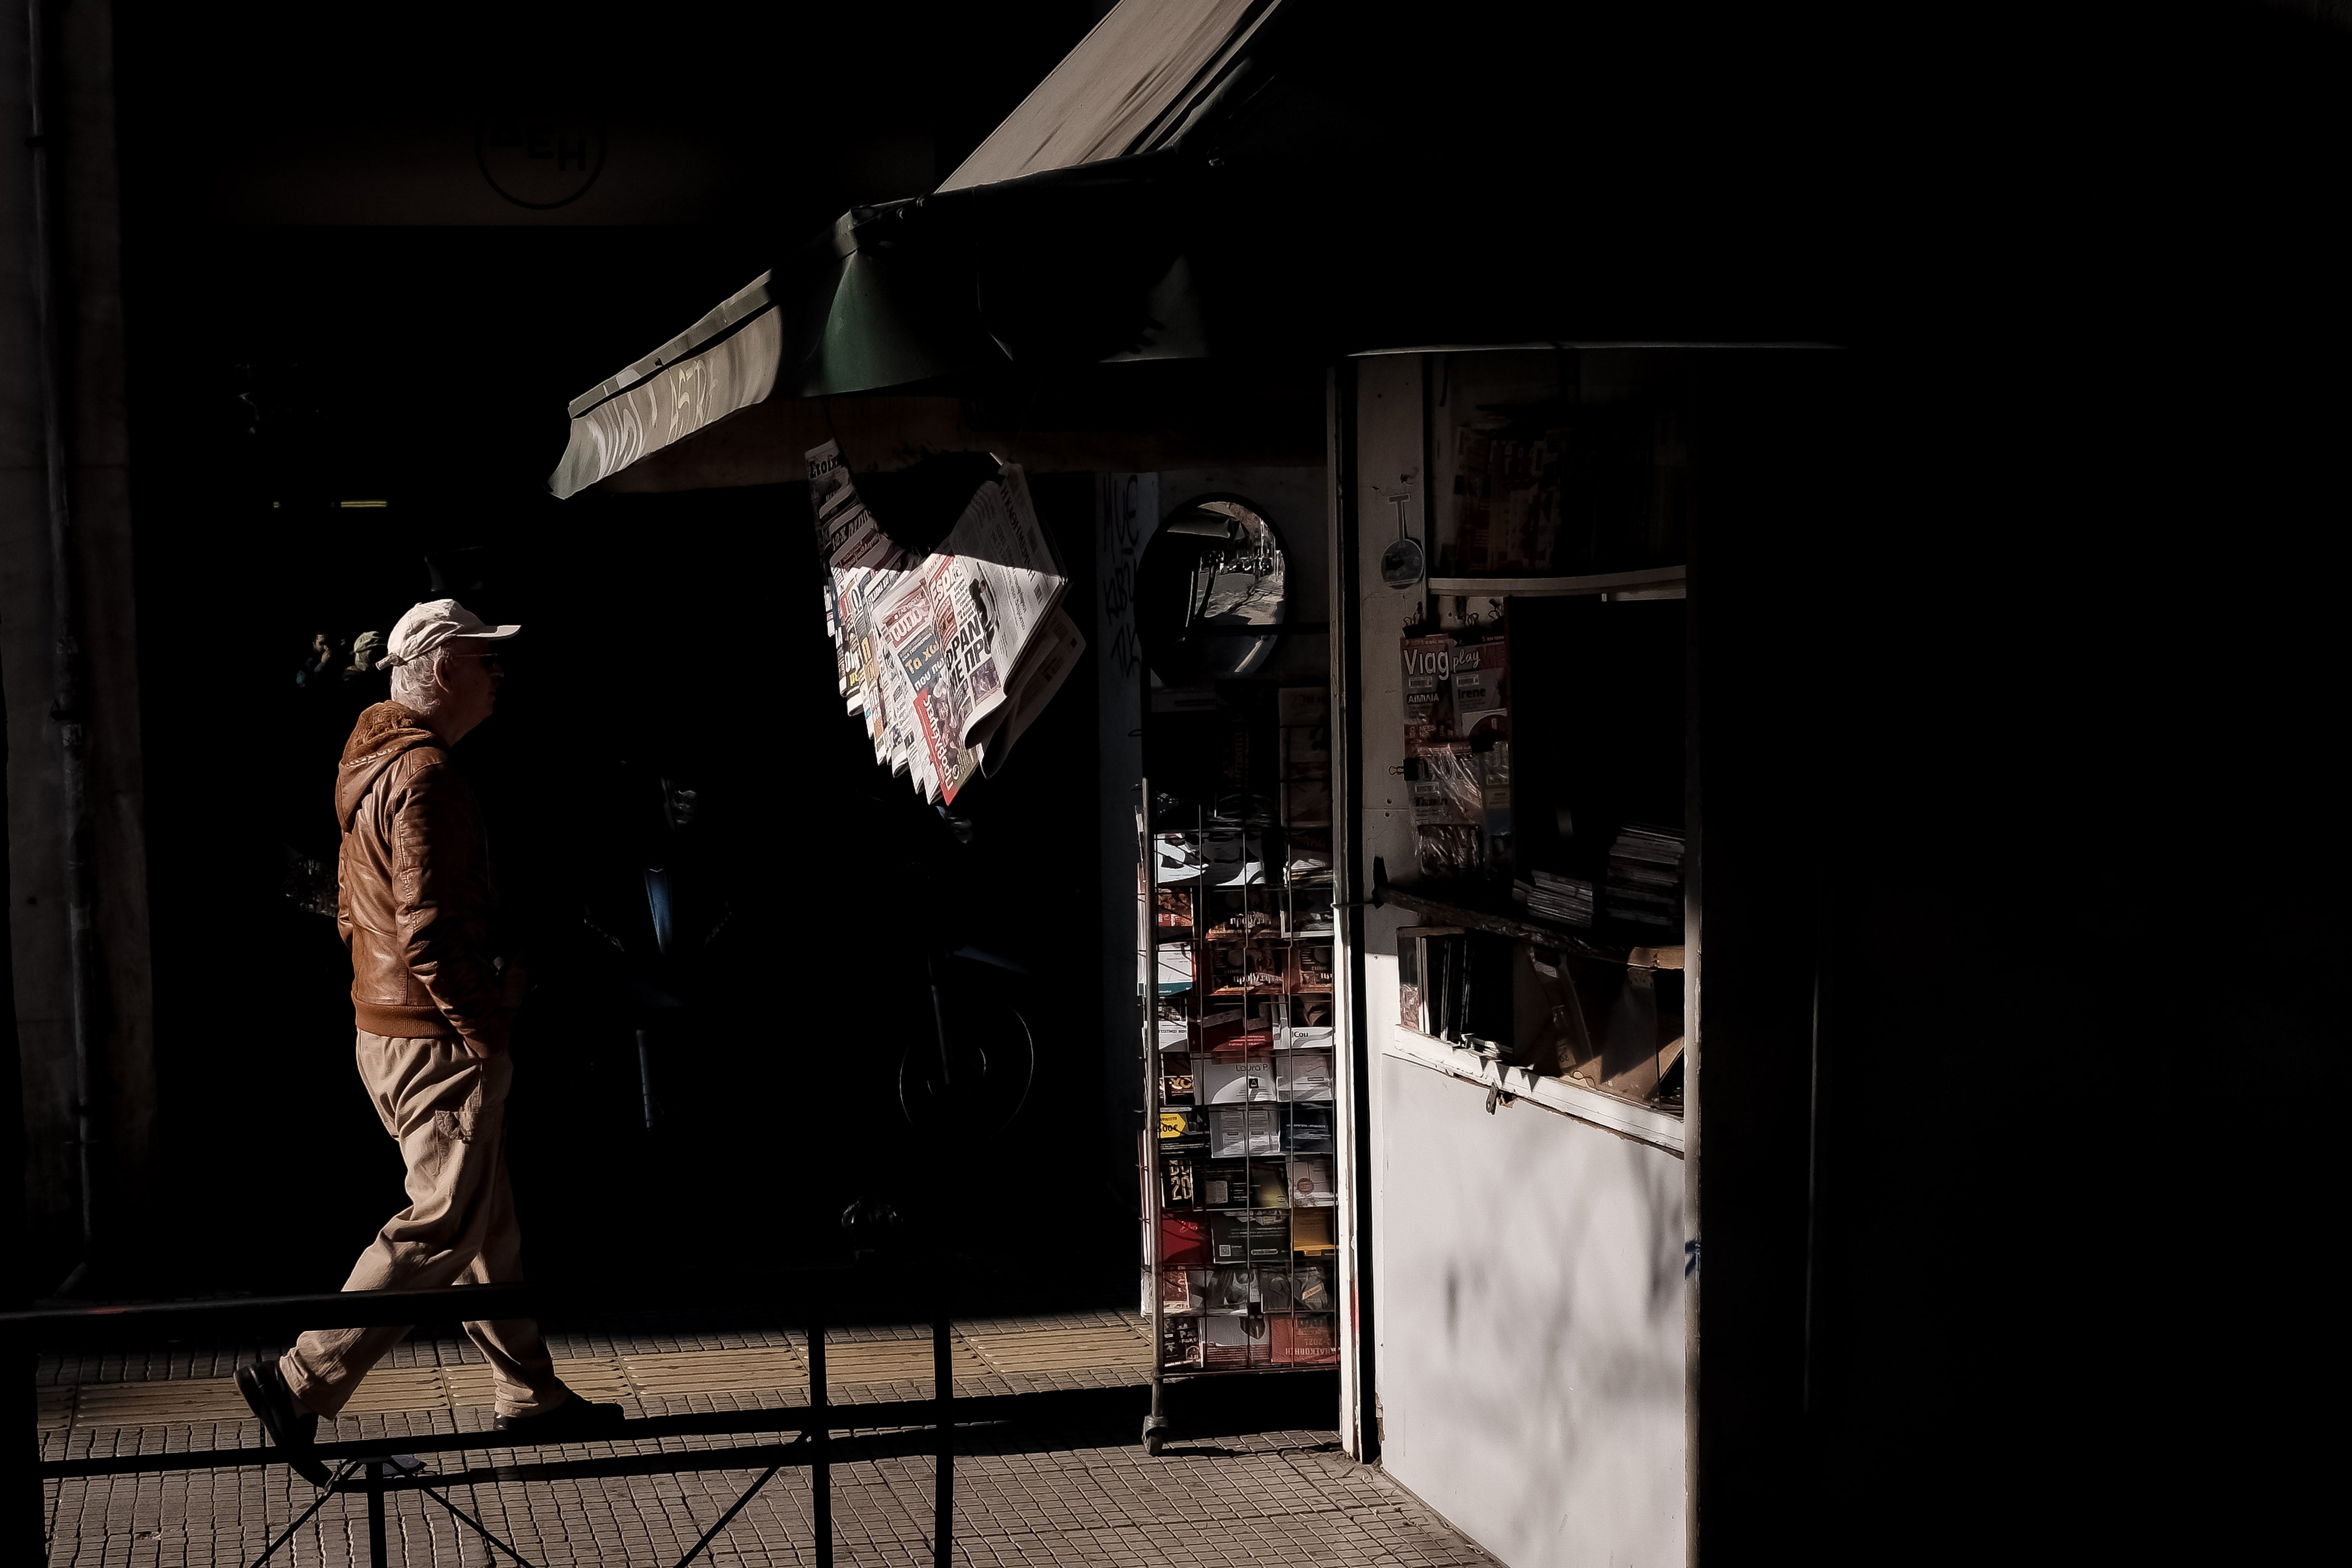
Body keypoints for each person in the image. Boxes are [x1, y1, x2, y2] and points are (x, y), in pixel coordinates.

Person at [239, 598, 619, 1482]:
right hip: (437, 1036)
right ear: (442, 669)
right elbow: (428, 931)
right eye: (485, 659)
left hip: (392, 1029)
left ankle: (530, 1396)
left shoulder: (370, 767)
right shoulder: (427, 779)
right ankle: (300, 1381)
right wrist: (488, 1028)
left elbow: (350, 910)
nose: (498, 675)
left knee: (489, 1227)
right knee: (444, 1225)